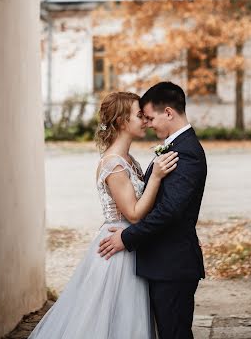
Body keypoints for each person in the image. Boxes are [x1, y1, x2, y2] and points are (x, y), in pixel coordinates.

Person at [27, 91, 178, 339]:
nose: (145, 119)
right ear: (121, 122)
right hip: (118, 249)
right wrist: (157, 177)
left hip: (131, 242)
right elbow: (134, 214)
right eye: (139, 115)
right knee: (108, 316)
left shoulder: (129, 160)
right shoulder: (114, 164)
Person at [99, 82, 207, 339]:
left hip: (172, 263)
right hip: (160, 261)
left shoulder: (186, 152)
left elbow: (169, 211)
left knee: (174, 333)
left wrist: (126, 237)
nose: (147, 123)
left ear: (168, 113)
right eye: (142, 117)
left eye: (150, 117)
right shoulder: (174, 148)